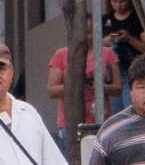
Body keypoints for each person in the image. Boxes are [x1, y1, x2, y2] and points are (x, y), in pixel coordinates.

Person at [47, 18, 121, 148]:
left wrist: (101, 87)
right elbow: (52, 90)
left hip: (101, 117)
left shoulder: (107, 53)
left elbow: (118, 88)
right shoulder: (61, 54)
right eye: (85, 32)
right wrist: (75, 85)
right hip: (69, 120)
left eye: (91, 32)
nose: (88, 37)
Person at [101, 0, 145, 112]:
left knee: (130, 108)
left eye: (122, 1)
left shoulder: (138, 19)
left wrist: (129, 39)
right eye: (114, 2)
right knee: (114, 110)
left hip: (133, 70)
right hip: (111, 73)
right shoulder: (104, 20)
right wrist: (106, 41)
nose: (118, 5)